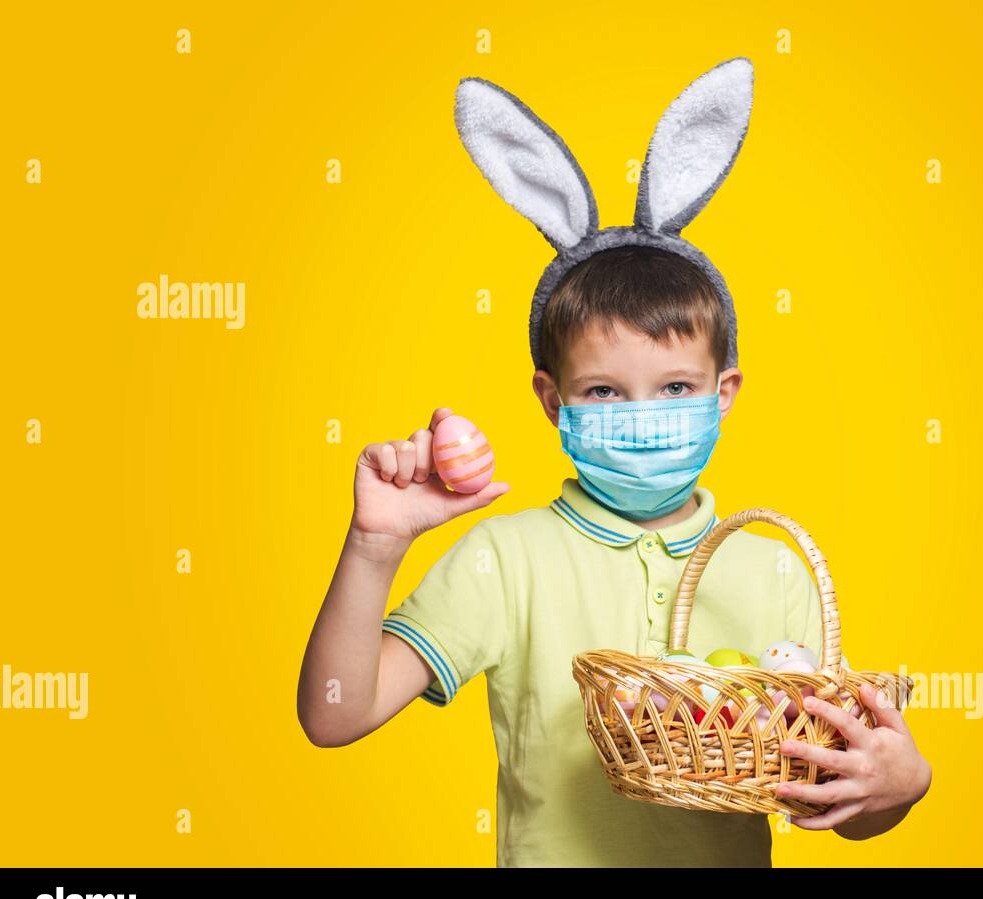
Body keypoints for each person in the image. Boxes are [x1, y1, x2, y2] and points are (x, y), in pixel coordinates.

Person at [297, 245, 931, 866]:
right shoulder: (507, 559)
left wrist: (899, 786)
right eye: (603, 392)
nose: (644, 417)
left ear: (724, 392)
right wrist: (374, 547)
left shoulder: (777, 571)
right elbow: (334, 714)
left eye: (676, 386)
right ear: (553, 401)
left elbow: (844, 795)